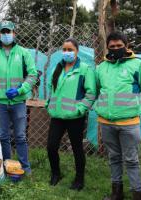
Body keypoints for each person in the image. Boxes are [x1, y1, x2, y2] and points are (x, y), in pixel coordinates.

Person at [95, 32, 141, 200]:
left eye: (119, 46)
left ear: (126, 46)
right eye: (112, 46)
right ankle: (116, 194)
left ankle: (137, 194)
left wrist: (135, 108)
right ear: (108, 48)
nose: (116, 48)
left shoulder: (138, 65)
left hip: (129, 123)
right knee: (114, 158)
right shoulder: (101, 67)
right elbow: (97, 90)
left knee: (132, 160)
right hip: (106, 122)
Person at [0, 20, 38, 174]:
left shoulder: (23, 53)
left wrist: (20, 90)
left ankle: (25, 167)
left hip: (18, 102)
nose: (6, 35)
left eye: (9, 32)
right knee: (3, 137)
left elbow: (32, 75)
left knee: (20, 136)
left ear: (14, 33)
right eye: (3, 32)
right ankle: (6, 167)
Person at [45, 38, 96, 190]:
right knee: (51, 147)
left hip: (75, 117)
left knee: (77, 148)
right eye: (64, 49)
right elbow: (51, 89)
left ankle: (79, 179)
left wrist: (81, 109)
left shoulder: (85, 69)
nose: (66, 52)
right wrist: (49, 104)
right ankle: (56, 174)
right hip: (57, 116)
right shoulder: (57, 68)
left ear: (77, 51)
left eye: (70, 50)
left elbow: (91, 94)